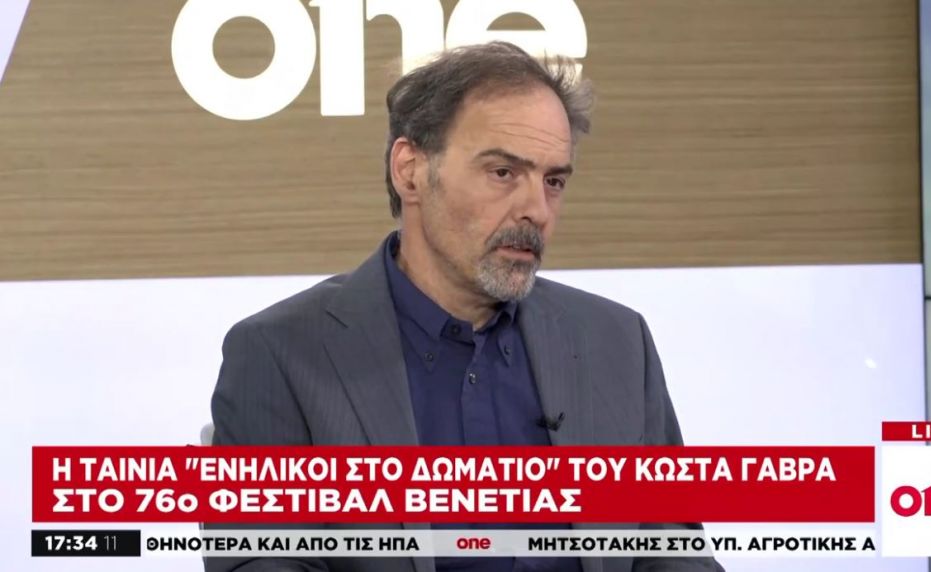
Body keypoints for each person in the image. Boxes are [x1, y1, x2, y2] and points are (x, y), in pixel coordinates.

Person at [207, 41, 723, 572]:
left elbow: (673, 556)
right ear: (410, 170)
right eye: (503, 173)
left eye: (553, 181)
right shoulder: (281, 353)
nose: (537, 209)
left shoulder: (616, 341)